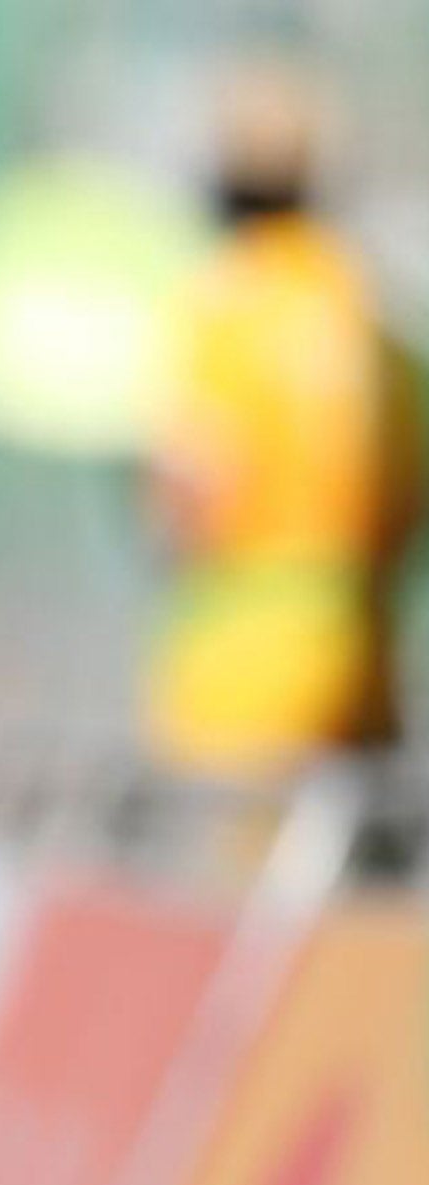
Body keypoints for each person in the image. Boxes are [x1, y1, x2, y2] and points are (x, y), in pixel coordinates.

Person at [144, 54, 421, 777]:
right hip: (358, 638)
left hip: (244, 645)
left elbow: (197, 491)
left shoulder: (226, 303)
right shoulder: (358, 301)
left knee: (241, 872)